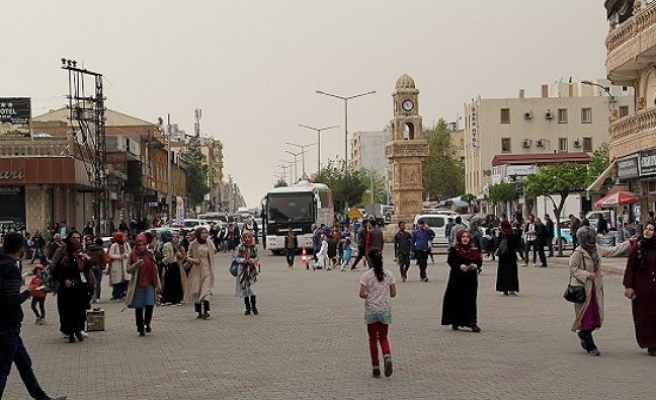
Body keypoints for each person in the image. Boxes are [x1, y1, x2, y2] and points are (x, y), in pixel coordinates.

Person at [0, 232, 67, 400]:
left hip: (8, 327)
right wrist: (27, 293)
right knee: (2, 370)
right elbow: (10, 301)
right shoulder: (10, 269)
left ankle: (42, 398)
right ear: (21, 248)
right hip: (7, 326)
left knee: (24, 364)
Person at [569, 225, 634, 356]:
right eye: (589, 237)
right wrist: (587, 274)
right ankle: (591, 346)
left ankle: (583, 334)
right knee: (586, 317)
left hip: (595, 289)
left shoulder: (596, 249)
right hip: (584, 290)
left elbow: (612, 251)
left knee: (595, 318)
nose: (592, 239)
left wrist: (629, 243)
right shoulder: (578, 252)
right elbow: (573, 268)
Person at [359, 248, 396, 378]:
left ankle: (376, 367)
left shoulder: (366, 276)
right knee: (384, 337)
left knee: (373, 339)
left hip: (371, 310)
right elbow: (393, 293)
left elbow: (361, 294)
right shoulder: (389, 274)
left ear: (370, 260)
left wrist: (370, 295)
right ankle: (387, 354)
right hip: (385, 309)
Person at [623, 221, 656, 356]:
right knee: (644, 317)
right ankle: (650, 343)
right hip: (642, 289)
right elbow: (630, 268)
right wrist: (629, 286)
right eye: (646, 229)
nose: (647, 231)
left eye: (651, 230)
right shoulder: (637, 248)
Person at [442, 230, 483, 333]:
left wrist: (476, 265)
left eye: (467, 237)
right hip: (457, 278)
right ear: (459, 238)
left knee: (470, 300)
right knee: (456, 299)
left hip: (470, 279)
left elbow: (479, 260)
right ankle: (455, 321)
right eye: (463, 237)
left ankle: (472, 322)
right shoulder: (455, 249)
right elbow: (451, 262)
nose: (465, 239)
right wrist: (460, 266)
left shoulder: (473, 249)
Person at [53, 238, 93, 343]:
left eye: (79, 251)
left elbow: (86, 271)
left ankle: (77, 329)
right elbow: (57, 273)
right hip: (67, 291)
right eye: (76, 251)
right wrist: (64, 280)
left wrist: (88, 260)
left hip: (80, 289)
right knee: (68, 312)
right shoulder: (65, 260)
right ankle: (70, 332)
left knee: (79, 311)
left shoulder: (81, 259)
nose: (77, 253)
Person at [126, 234, 161, 337]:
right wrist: (136, 264)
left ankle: (147, 323)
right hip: (138, 284)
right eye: (139, 244)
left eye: (143, 244)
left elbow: (155, 270)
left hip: (150, 283)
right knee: (139, 306)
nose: (141, 247)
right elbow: (128, 270)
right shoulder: (132, 255)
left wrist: (158, 284)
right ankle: (140, 327)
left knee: (150, 304)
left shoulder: (150, 255)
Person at [185, 227, 216, 319]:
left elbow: (214, 251)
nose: (205, 234)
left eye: (206, 232)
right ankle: (199, 312)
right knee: (197, 290)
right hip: (196, 269)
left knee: (206, 290)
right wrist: (194, 260)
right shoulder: (193, 244)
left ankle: (206, 311)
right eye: (202, 233)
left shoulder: (209, 243)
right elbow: (188, 256)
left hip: (206, 268)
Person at [234, 230, 259, 315]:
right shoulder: (240, 247)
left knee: (252, 289)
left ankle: (254, 308)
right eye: (245, 237)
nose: (247, 239)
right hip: (242, 270)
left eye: (249, 237)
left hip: (251, 270)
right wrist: (242, 260)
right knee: (244, 289)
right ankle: (247, 308)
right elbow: (236, 258)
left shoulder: (254, 247)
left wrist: (252, 260)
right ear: (242, 238)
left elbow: (257, 257)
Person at [495, 221, 521, 296]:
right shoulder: (513, 234)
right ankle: (512, 289)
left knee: (503, 272)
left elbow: (497, 244)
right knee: (512, 272)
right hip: (511, 255)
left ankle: (504, 289)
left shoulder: (501, 234)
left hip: (503, 256)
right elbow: (517, 245)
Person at [161, 232, 187, 306]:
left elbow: (167, 257)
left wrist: (162, 262)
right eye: (173, 237)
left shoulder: (168, 245)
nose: (175, 238)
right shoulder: (172, 245)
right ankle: (174, 299)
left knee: (171, 283)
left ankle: (172, 299)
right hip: (174, 266)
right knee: (174, 283)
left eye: (177, 237)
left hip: (171, 266)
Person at [108, 231, 131, 301]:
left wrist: (126, 255)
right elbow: (110, 255)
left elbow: (130, 253)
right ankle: (117, 295)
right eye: (123, 237)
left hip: (125, 264)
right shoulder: (114, 246)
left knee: (126, 281)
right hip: (116, 265)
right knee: (117, 282)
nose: (125, 238)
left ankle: (124, 294)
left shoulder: (126, 245)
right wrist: (119, 257)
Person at [86, 237, 105, 303]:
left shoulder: (90, 249)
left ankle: (91, 297)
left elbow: (87, 258)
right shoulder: (101, 250)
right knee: (98, 282)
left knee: (91, 282)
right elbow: (103, 259)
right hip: (98, 267)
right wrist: (103, 267)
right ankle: (97, 297)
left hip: (91, 267)